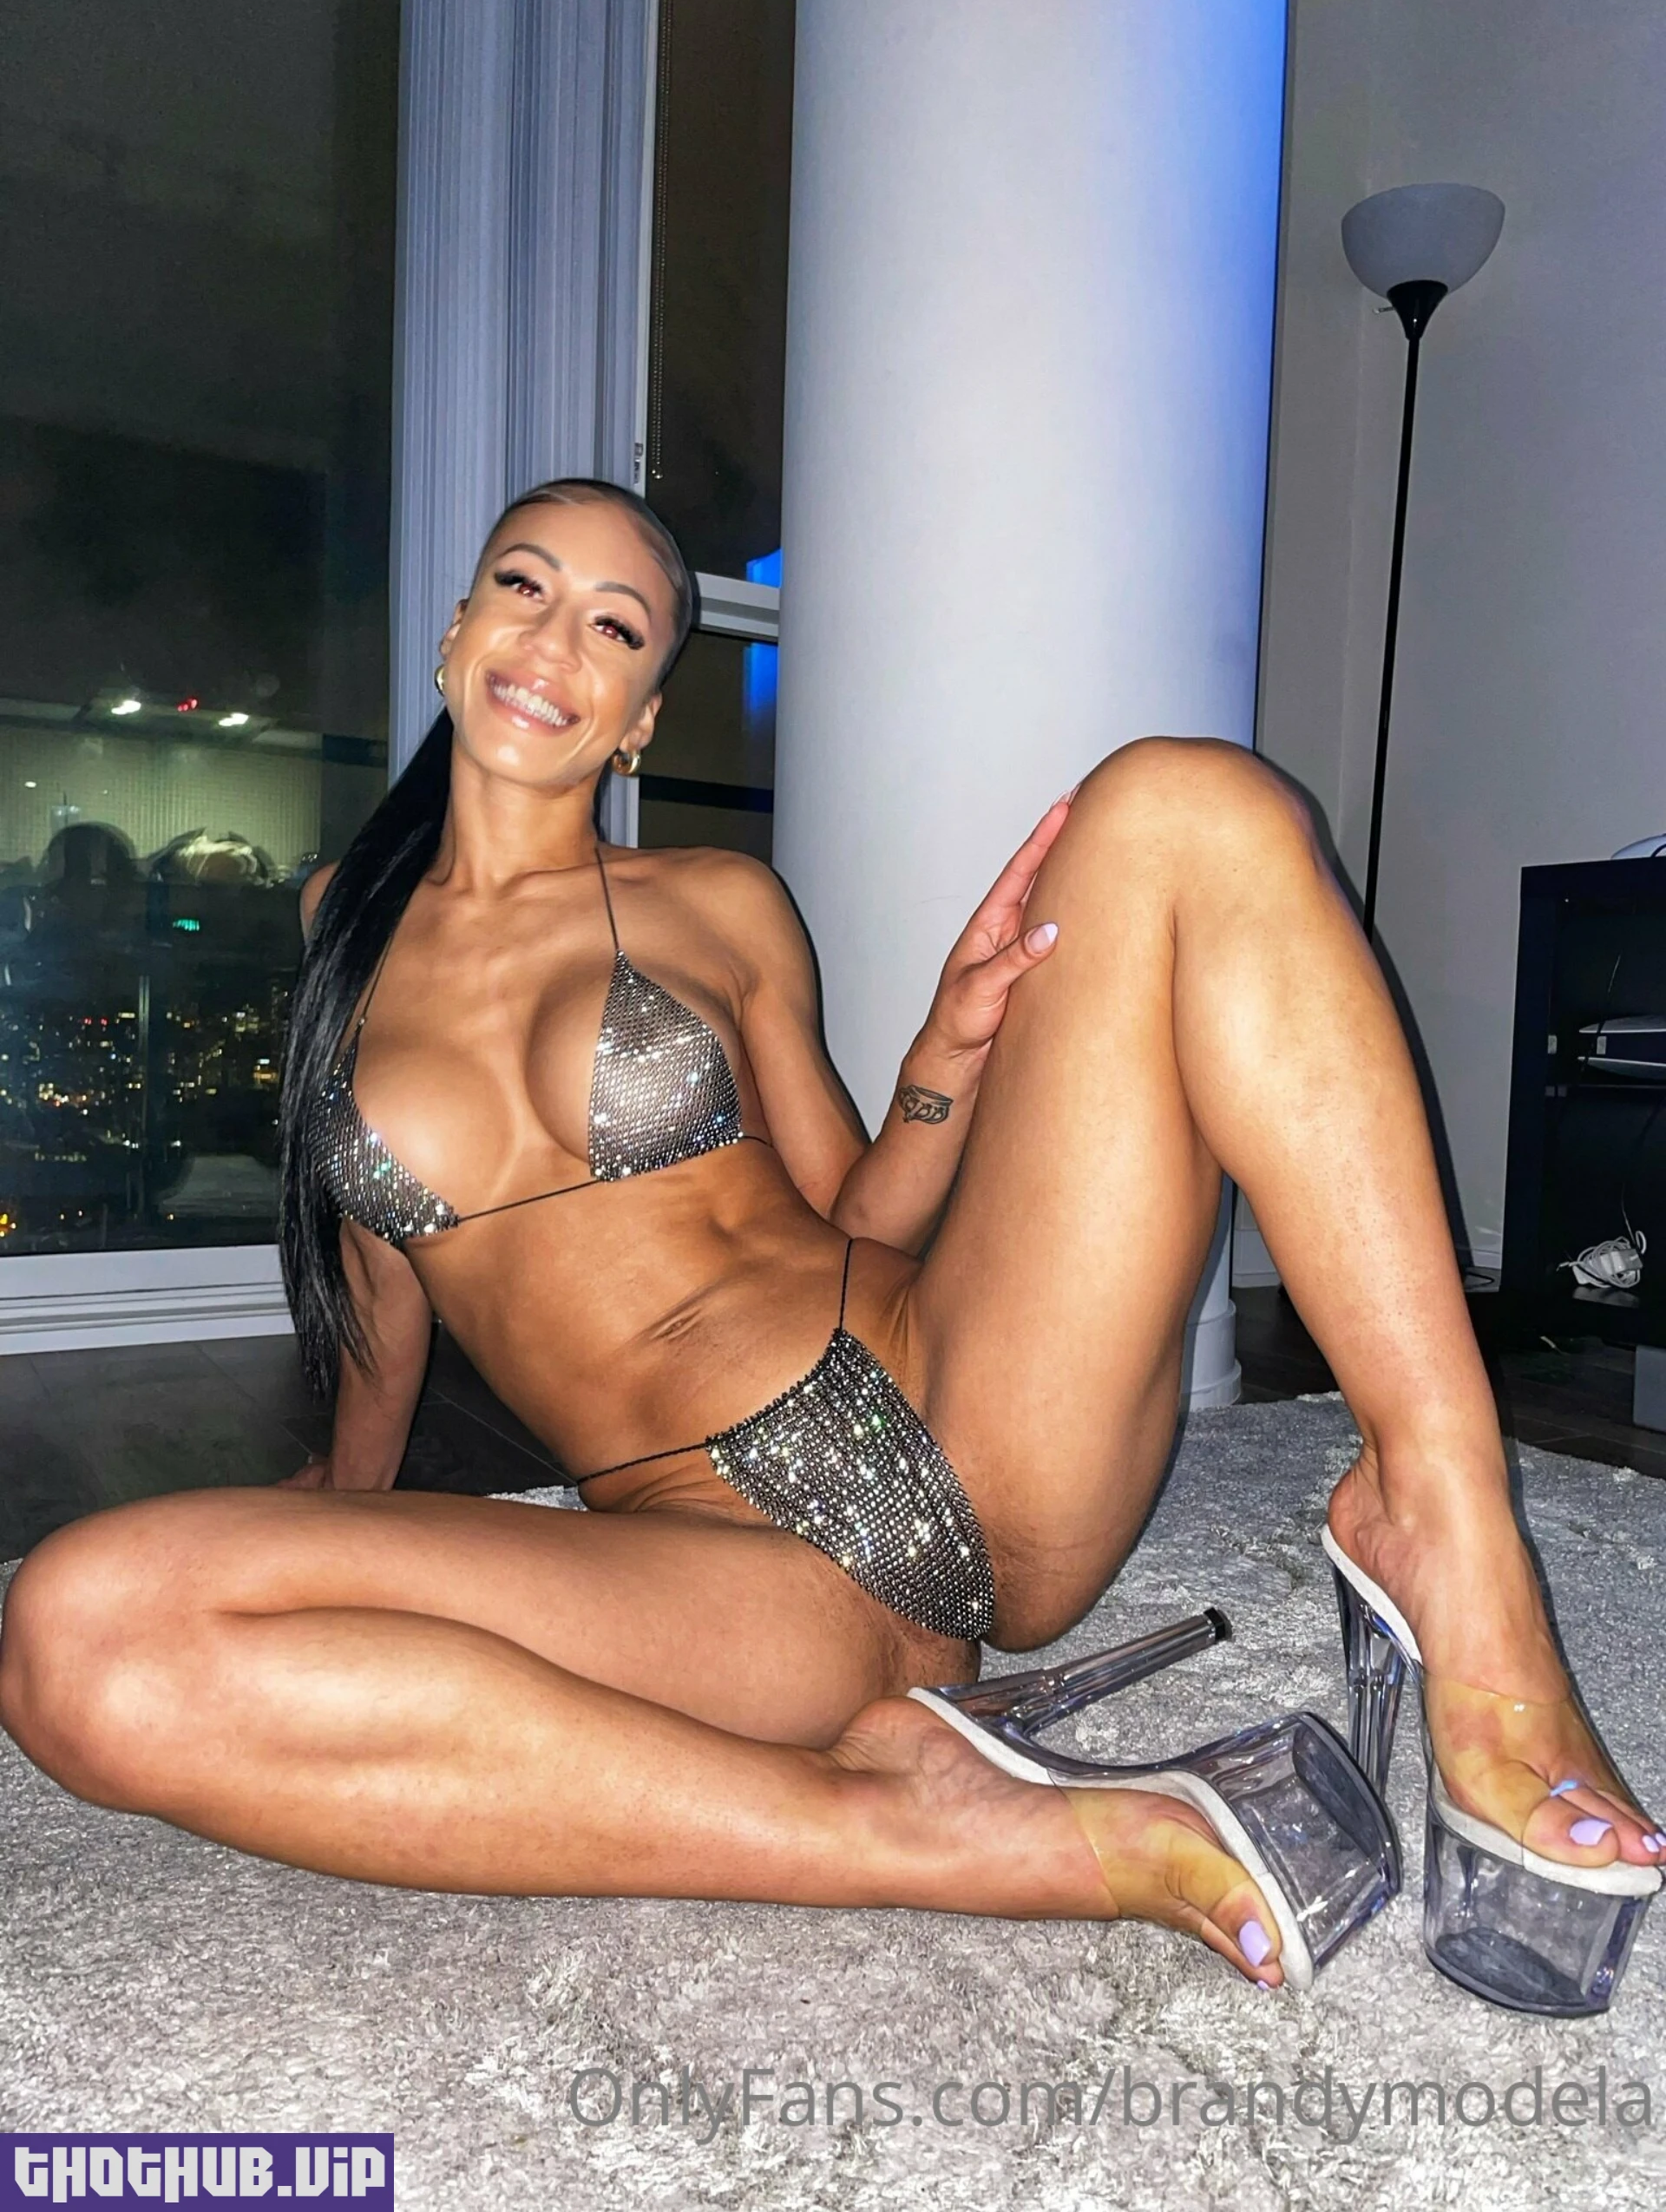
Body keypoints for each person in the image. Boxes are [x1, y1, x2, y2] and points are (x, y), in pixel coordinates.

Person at [2, 481, 1656, 1997]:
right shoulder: (339, 931)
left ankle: (1447, 1521)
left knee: (1183, 800)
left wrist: (943, 1053)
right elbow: (378, 1277)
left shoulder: (716, 905)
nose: (555, 641)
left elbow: (853, 1211)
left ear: (641, 717)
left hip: (963, 1395)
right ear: (455, 631)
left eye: (615, 627)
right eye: (525, 586)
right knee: (83, 1640)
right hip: (738, 1573)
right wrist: (343, 1516)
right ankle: (910, 1823)